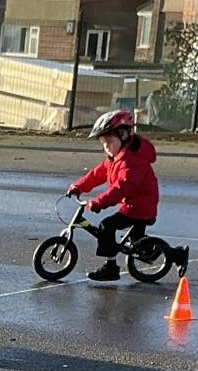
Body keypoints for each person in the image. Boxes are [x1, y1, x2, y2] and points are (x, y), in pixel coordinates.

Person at [67, 109, 160, 283]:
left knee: (107, 226)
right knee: (136, 242)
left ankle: (111, 267)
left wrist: (99, 202)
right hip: (132, 205)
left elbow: (122, 188)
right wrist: (78, 187)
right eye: (103, 143)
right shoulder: (116, 158)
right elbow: (97, 174)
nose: (106, 147)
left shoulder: (133, 161)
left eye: (109, 142)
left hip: (140, 207)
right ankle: (167, 252)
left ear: (124, 136)